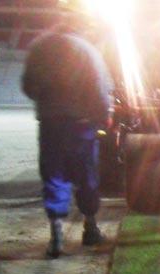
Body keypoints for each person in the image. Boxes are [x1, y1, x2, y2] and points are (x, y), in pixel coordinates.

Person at [22, 0, 113, 258]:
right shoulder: (88, 51)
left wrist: (48, 102)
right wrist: (104, 116)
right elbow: (100, 89)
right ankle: (90, 228)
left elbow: (28, 86)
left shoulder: (40, 46)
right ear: (82, 21)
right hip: (82, 127)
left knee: (54, 176)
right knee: (86, 177)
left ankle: (56, 236)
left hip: (51, 126)